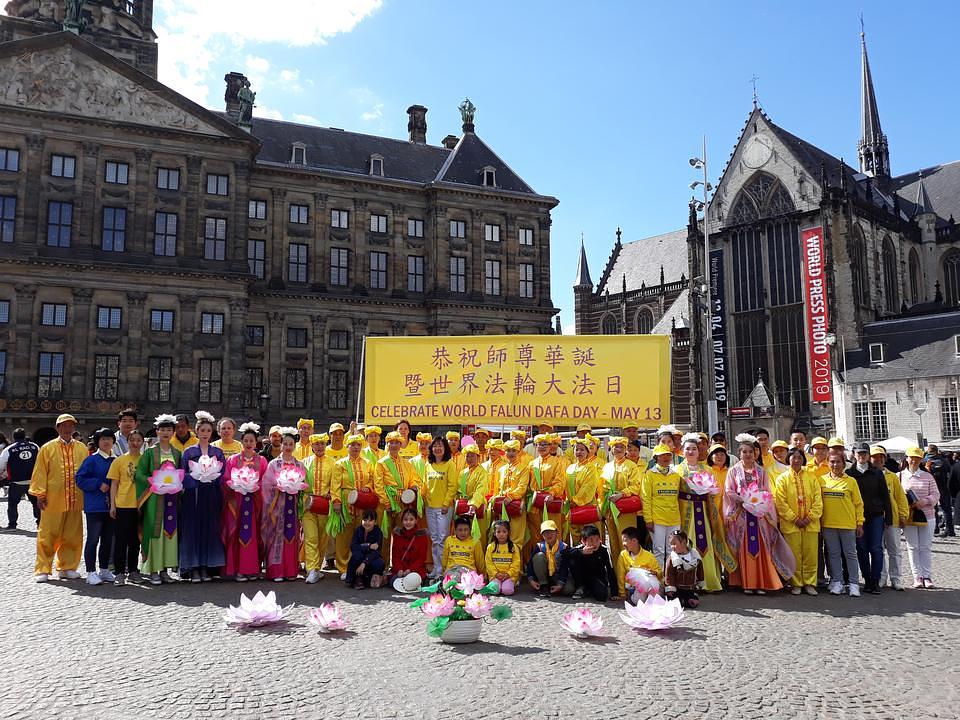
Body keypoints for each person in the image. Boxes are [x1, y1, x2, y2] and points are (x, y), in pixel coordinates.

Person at [723, 433, 795, 595]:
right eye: (744, 452)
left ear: (755, 453)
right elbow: (729, 490)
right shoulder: (733, 471)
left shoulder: (761, 472)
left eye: (751, 451)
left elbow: (766, 491)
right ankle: (747, 583)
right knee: (744, 547)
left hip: (759, 516)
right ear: (739, 453)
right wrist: (742, 500)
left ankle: (762, 581)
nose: (748, 455)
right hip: (741, 516)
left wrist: (759, 503)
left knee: (761, 548)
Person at [29, 413, 89, 582]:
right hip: (53, 499)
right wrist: (40, 494)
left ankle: (67, 567)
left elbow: (86, 473)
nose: (67, 428)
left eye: (70, 425)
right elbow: (40, 472)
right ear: (58, 428)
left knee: (73, 535)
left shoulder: (82, 448)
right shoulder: (47, 448)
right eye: (64, 425)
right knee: (47, 534)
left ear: (74, 428)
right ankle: (43, 568)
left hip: (75, 499)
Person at [676, 433, 735, 592]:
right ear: (682, 451)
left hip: (703, 511)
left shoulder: (707, 469)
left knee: (707, 543)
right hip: (686, 512)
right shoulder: (677, 470)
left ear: (699, 451)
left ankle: (709, 580)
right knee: (687, 543)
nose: (691, 452)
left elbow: (714, 491)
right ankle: (687, 580)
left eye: (694, 449)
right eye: (688, 449)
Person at [179, 411, 226, 583]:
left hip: (211, 493)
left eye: (208, 430)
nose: (205, 433)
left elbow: (223, 473)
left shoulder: (217, 452)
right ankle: (193, 567)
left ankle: (207, 566)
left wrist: (212, 477)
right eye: (202, 430)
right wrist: (196, 478)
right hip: (194, 495)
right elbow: (182, 474)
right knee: (193, 530)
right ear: (196, 431)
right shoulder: (189, 452)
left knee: (210, 530)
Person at [135, 414, 183, 585]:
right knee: (154, 532)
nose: (165, 432)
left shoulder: (177, 453)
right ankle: (153, 569)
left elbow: (181, 475)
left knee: (168, 534)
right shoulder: (149, 453)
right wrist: (152, 481)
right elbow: (139, 474)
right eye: (162, 429)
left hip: (171, 500)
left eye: (169, 430)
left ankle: (165, 570)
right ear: (156, 431)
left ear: (173, 432)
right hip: (154, 499)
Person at [773, 447, 823, 595]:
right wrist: (794, 519)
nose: (796, 460)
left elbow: (818, 500)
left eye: (799, 457)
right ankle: (795, 583)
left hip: (810, 524)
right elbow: (780, 503)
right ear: (788, 459)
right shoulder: (782, 479)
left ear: (803, 459)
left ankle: (810, 583)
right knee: (793, 555)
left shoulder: (812, 477)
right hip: (791, 525)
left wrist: (809, 518)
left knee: (810, 554)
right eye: (793, 457)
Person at [222, 422, 267, 582]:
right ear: (241, 442)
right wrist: (236, 485)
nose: (249, 444)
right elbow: (226, 478)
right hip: (237, 502)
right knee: (236, 533)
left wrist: (255, 486)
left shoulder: (261, 460)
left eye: (251, 441)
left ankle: (252, 569)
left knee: (254, 534)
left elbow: (265, 481)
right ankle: (238, 569)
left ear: (256, 443)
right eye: (246, 441)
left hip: (255, 503)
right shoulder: (233, 459)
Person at [261, 428, 306, 582]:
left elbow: (303, 485)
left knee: (292, 535)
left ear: (294, 446)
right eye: (285, 443)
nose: (287, 447)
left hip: (292, 505)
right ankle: (276, 571)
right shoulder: (274, 464)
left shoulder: (299, 465)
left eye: (291, 444)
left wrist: (295, 487)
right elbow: (266, 485)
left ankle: (291, 570)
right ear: (281, 445)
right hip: (277, 506)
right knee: (277, 536)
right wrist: (279, 486)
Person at [847, 442, 892, 594]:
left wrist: (889, 518)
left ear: (868, 455)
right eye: (859, 453)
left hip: (876, 515)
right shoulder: (850, 473)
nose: (862, 456)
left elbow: (885, 496)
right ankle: (867, 579)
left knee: (876, 548)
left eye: (864, 453)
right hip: (857, 517)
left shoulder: (877, 473)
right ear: (854, 454)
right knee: (861, 549)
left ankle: (875, 580)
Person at [820, 447, 865, 596]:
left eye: (838, 462)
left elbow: (858, 503)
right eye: (832, 462)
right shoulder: (822, 480)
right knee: (833, 554)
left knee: (850, 554)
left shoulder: (851, 481)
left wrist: (860, 523)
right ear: (828, 463)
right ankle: (837, 581)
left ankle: (853, 583)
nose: (835, 465)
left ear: (843, 464)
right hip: (828, 524)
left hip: (847, 524)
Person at [75, 428, 116, 586]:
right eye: (103, 439)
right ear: (98, 442)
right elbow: (79, 479)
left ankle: (104, 569)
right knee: (93, 540)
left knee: (107, 540)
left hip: (111, 506)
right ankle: (91, 572)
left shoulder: (115, 459)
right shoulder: (91, 460)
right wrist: (98, 484)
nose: (106, 442)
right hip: (95, 506)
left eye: (109, 439)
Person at [330, 433, 374, 576]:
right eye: (352, 445)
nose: (355, 447)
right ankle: (343, 567)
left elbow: (371, 479)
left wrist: (368, 486)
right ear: (347, 447)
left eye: (358, 445)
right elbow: (335, 485)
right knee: (344, 536)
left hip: (362, 502)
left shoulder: (367, 462)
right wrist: (336, 501)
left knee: (361, 535)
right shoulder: (340, 464)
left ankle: (358, 565)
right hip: (345, 502)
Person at [108, 428, 145, 585]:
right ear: (127, 442)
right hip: (123, 504)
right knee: (121, 540)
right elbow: (114, 484)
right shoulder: (119, 460)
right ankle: (119, 572)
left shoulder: (145, 460)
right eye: (132, 440)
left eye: (138, 440)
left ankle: (133, 570)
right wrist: (112, 505)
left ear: (142, 442)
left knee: (135, 541)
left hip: (140, 504)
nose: (135, 443)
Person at [900, 445, 940, 588]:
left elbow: (936, 495)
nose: (914, 461)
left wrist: (925, 501)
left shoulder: (927, 476)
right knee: (912, 547)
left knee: (925, 546)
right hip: (909, 516)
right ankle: (917, 576)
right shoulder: (900, 476)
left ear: (921, 460)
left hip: (927, 515)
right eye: (912, 458)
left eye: (917, 458)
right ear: (907, 458)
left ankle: (927, 576)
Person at [600, 437, 643, 563]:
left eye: (621, 447)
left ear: (625, 450)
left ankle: (631, 569)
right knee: (613, 542)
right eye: (615, 447)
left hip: (626, 509)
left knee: (627, 540)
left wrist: (622, 494)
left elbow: (636, 486)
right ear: (611, 449)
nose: (618, 449)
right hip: (610, 509)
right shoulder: (607, 467)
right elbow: (601, 489)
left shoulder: (631, 466)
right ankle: (617, 572)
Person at [872, 445, 909, 591]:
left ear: (884, 459)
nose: (878, 459)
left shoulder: (892, 476)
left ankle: (896, 578)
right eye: (875, 457)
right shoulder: (869, 475)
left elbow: (900, 497)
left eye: (881, 457)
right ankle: (882, 577)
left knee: (894, 550)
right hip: (875, 518)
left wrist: (903, 514)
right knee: (878, 549)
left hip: (892, 518)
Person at [527, 433, 568, 561]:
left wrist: (552, 493)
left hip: (551, 503)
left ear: (551, 446)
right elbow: (528, 485)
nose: (542, 447)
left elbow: (560, 481)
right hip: (535, 504)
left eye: (546, 444)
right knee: (536, 535)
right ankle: (539, 565)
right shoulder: (532, 464)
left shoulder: (557, 462)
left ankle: (557, 567)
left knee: (554, 533)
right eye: (539, 444)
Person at [374, 430, 421, 541]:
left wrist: (414, 487)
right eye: (391, 442)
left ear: (401, 445)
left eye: (397, 443)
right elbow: (378, 485)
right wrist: (386, 503)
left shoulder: (406, 463)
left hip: (403, 504)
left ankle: (398, 559)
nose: (394, 445)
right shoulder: (381, 463)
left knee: (402, 535)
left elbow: (414, 479)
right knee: (384, 537)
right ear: (387, 444)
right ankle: (384, 559)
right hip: (387, 504)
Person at [642, 443, 682, 566]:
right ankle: (660, 579)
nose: (665, 458)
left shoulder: (676, 475)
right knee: (659, 550)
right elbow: (646, 498)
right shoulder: (649, 475)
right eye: (662, 455)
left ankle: (671, 579)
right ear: (656, 458)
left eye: (668, 455)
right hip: (657, 519)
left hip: (674, 519)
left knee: (673, 550)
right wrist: (648, 519)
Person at [302, 432, 334, 584]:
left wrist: (330, 494)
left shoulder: (333, 463)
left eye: (322, 443)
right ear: (312, 446)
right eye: (317, 444)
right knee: (311, 537)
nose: (319, 446)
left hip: (325, 506)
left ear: (326, 445)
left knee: (322, 539)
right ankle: (312, 569)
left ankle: (317, 567)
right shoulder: (304, 462)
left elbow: (335, 484)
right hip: (308, 505)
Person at [422, 436, 456, 578]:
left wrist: (446, 503)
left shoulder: (449, 464)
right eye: (435, 446)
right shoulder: (428, 465)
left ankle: (442, 570)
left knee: (443, 539)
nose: (437, 448)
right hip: (430, 507)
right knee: (434, 539)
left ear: (445, 449)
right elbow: (425, 485)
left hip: (444, 508)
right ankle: (436, 568)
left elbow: (452, 486)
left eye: (440, 446)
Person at [0, 428, 40, 529]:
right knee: (35, 503)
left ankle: (12, 524)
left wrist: (2, 475)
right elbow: (41, 461)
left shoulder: (9, 449)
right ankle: (40, 522)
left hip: (16, 481)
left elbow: (1, 464)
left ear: (14, 437)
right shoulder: (35, 447)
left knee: (13, 504)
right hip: (33, 481)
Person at [568, 524, 617, 601]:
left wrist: (614, 592)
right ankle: (580, 587)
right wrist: (581, 552)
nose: (594, 543)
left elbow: (610, 570)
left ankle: (589, 590)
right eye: (591, 540)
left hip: (597, 578)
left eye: (597, 540)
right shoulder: (579, 548)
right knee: (573, 558)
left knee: (602, 596)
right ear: (583, 541)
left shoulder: (604, 550)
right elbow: (565, 554)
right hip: (581, 578)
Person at [495, 440, 530, 547]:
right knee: (502, 535)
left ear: (518, 452)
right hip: (503, 506)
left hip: (516, 506)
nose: (511, 453)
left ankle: (516, 563)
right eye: (508, 451)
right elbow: (498, 489)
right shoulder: (501, 469)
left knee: (516, 537)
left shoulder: (524, 468)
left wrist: (510, 497)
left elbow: (522, 487)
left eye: (513, 451)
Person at [526, 519, 574, 597]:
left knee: (569, 590)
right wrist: (531, 580)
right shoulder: (540, 547)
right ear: (542, 535)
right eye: (545, 533)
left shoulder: (564, 547)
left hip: (557, 575)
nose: (549, 535)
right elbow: (530, 564)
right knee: (539, 556)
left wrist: (560, 584)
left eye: (551, 532)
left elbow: (564, 567)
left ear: (557, 532)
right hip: (543, 575)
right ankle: (544, 585)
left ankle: (553, 586)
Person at [566, 437, 600, 545]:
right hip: (572, 509)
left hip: (586, 508)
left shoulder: (591, 468)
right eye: (577, 449)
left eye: (582, 450)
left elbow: (588, 488)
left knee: (589, 538)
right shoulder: (570, 468)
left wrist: (575, 501)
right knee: (576, 540)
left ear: (587, 452)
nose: (579, 452)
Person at [615, 526, 662, 603]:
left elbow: (659, 573)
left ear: (634, 541)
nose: (623, 544)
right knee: (639, 601)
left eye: (625, 541)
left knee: (651, 588)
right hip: (634, 589)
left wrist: (654, 572)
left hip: (650, 587)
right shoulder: (623, 555)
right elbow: (621, 575)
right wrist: (622, 593)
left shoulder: (649, 556)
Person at [664, 529, 705, 608]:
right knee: (676, 603)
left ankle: (687, 599)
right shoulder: (673, 558)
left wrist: (700, 582)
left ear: (684, 542)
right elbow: (669, 574)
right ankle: (678, 599)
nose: (672, 547)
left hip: (689, 588)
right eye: (671, 544)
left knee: (693, 602)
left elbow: (700, 569)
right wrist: (670, 588)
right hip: (677, 588)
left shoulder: (694, 555)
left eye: (674, 544)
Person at [345, 509, 385, 589]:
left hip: (369, 558)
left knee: (379, 563)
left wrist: (364, 562)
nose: (367, 523)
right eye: (365, 520)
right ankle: (356, 578)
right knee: (357, 555)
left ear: (375, 522)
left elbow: (376, 552)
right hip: (360, 556)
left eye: (370, 520)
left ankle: (370, 578)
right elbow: (354, 546)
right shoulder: (358, 530)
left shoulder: (378, 532)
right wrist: (368, 546)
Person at [389, 508, 430, 583]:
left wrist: (410, 570)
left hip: (416, 570)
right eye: (405, 519)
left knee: (412, 581)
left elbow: (421, 558)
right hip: (400, 570)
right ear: (402, 521)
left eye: (411, 519)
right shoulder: (397, 535)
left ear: (416, 521)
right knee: (394, 582)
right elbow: (395, 556)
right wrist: (399, 569)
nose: (408, 522)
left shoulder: (421, 536)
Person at [924, 444, 953, 537]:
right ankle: (950, 530)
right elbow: (950, 473)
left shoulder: (926, 461)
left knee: (933, 509)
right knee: (946, 509)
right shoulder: (944, 461)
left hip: (932, 487)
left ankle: (935, 528)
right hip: (944, 487)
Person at [485, 520, 521, 595]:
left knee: (507, 591)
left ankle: (508, 585)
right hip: (495, 576)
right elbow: (489, 563)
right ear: (494, 533)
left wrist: (508, 574)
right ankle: (495, 585)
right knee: (495, 591)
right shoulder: (491, 547)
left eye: (504, 532)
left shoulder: (513, 547)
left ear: (508, 533)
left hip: (509, 576)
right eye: (498, 532)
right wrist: (496, 574)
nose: (501, 534)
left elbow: (516, 563)